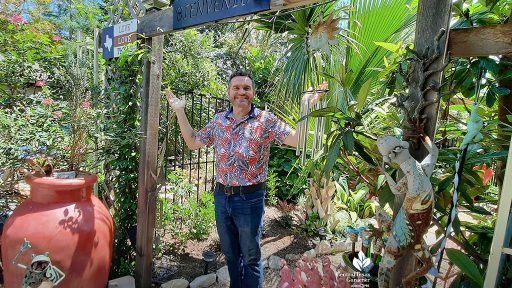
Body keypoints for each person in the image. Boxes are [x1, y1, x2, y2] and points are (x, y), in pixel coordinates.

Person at [166, 70, 326, 288]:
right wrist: (179, 111)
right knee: (231, 256)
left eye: (246, 88)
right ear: (229, 92)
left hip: (250, 200)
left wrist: (307, 105)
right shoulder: (218, 121)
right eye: (236, 87)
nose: (241, 91)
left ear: (253, 92)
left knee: (250, 258)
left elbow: (298, 140)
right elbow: (193, 142)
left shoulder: (265, 120)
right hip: (222, 198)